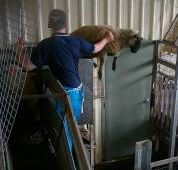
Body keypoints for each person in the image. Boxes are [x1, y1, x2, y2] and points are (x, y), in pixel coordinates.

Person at [17, 9, 114, 151]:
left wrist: (19, 50)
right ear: (66, 25)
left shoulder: (46, 44)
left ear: (50, 25)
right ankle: (64, 159)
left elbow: (27, 66)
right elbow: (95, 48)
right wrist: (107, 38)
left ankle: (66, 165)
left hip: (66, 94)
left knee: (65, 134)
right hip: (75, 93)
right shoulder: (76, 41)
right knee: (65, 131)